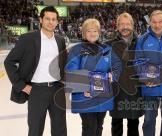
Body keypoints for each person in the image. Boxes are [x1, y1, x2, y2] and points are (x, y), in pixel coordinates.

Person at [4, 6, 67, 136]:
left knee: (60, 129)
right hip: (36, 91)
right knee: (35, 130)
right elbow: (9, 62)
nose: (50, 22)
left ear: (57, 22)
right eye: (47, 19)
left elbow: (63, 63)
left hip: (57, 89)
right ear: (41, 20)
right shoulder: (27, 39)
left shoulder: (60, 40)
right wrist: (21, 85)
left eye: (53, 19)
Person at [65, 18, 121, 136]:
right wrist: (85, 88)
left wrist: (112, 75)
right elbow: (71, 71)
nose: (92, 34)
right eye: (89, 31)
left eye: (95, 31)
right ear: (84, 33)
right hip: (85, 96)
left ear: (99, 33)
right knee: (89, 128)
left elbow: (117, 66)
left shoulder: (107, 49)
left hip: (102, 95)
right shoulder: (77, 49)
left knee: (98, 127)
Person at [106, 13, 143, 136]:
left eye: (127, 24)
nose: (125, 27)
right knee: (116, 122)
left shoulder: (140, 43)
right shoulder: (109, 44)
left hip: (134, 90)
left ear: (132, 26)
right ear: (117, 26)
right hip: (117, 91)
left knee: (133, 123)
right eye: (122, 24)